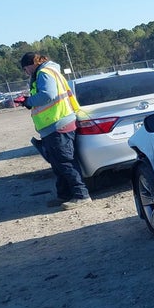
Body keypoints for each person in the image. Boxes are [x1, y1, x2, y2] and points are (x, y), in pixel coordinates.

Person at [20, 52, 91, 209]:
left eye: (25, 69)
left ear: (31, 64)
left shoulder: (44, 73)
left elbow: (48, 94)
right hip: (54, 124)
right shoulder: (50, 71)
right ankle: (64, 195)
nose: (26, 73)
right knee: (58, 163)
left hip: (58, 124)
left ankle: (81, 195)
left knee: (65, 161)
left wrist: (29, 101)